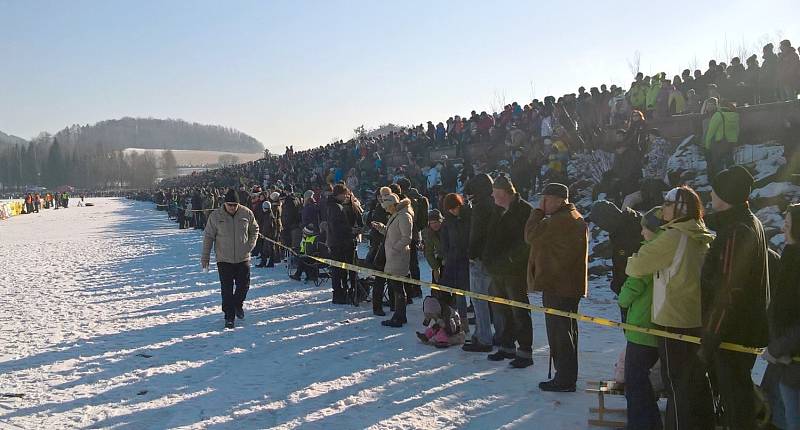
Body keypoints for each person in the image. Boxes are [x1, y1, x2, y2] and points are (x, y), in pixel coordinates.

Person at [625, 186, 715, 430]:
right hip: (696, 318)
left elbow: (636, 267)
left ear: (680, 208)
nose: (662, 207)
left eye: (667, 203)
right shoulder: (700, 233)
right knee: (694, 383)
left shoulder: (674, 236)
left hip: (672, 319)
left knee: (676, 386)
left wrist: (633, 257)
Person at [699, 166, 769, 429]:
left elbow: (727, 289)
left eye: (715, 191)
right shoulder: (749, 222)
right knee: (736, 398)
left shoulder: (737, 230)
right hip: (742, 329)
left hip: (732, 333)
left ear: (725, 196)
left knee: (736, 400)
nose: (710, 195)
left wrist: (711, 335)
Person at [526, 183, 588, 392]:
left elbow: (530, 235)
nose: (543, 203)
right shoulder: (574, 217)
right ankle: (567, 376)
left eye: (546, 199)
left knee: (559, 334)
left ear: (559, 200)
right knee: (568, 332)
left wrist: (537, 212)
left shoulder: (559, 221)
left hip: (557, 285)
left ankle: (564, 379)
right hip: (568, 285)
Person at [618, 207, 665, 430]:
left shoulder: (651, 252)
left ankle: (641, 424)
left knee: (635, 381)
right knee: (643, 379)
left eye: (644, 228)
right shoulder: (670, 248)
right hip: (658, 321)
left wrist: (622, 298)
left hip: (642, 323)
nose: (641, 233)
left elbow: (633, 285)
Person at [482, 175, 533, 368]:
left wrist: (510, 260)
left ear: (506, 193)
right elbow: (491, 237)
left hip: (514, 271)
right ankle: (506, 345)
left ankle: (525, 350)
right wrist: (487, 259)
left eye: (496, 194)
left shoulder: (524, 210)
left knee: (519, 310)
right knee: (500, 310)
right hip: (496, 270)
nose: (493, 197)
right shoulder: (496, 211)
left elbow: (526, 243)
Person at [201, 189, 259, 329]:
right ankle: (229, 316)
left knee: (243, 286)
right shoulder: (216, 216)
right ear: (225, 204)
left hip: (242, 257)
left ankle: (238, 305)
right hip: (224, 258)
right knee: (226, 289)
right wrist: (205, 256)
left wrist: (249, 246)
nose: (232, 207)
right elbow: (208, 236)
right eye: (229, 205)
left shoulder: (246, 213)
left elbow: (254, 230)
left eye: (235, 205)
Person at [766, 203, 800, 430]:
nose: (783, 230)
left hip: (792, 362)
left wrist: (779, 349)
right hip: (785, 361)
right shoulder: (789, 258)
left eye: (788, 225)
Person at [462, 173, 498, 353]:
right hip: (492, 259)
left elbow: (476, 235)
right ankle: (491, 334)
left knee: (479, 301)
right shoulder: (494, 204)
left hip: (480, 259)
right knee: (492, 301)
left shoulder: (480, 208)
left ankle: (484, 338)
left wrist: (471, 253)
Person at [590, 200, 643, 314]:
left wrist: (622, 289)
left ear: (607, 219)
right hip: (627, 292)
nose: (600, 227)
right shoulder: (621, 230)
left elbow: (631, 266)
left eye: (600, 223)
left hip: (635, 294)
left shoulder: (631, 231)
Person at [371, 192, 414, 327]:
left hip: (398, 257)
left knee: (398, 288)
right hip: (393, 257)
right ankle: (400, 315)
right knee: (396, 287)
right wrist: (381, 228)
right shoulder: (396, 215)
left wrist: (395, 249)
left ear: (393, 205)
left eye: (387, 207)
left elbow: (407, 238)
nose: (386, 209)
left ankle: (399, 316)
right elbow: (392, 233)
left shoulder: (404, 216)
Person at [325, 184, 361, 304]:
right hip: (339, 242)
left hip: (336, 241)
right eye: (344, 194)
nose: (346, 196)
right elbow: (338, 226)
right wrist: (350, 230)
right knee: (338, 270)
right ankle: (339, 294)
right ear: (339, 194)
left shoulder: (333, 205)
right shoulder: (336, 207)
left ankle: (340, 293)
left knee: (338, 269)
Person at [440, 193, 471, 334]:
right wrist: (447, 255)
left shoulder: (468, 217)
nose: (453, 211)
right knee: (459, 293)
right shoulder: (448, 221)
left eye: (454, 208)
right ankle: (462, 323)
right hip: (453, 260)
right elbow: (445, 240)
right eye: (450, 209)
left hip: (468, 259)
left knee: (473, 292)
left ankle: (476, 318)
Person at [704, 101, 740, 178]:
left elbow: (711, 131)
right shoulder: (735, 115)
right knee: (730, 162)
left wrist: (707, 144)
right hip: (731, 142)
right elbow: (737, 130)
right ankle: (733, 178)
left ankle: (721, 179)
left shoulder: (719, 115)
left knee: (718, 163)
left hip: (720, 142)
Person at [256, 200, 277, 268]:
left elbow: (267, 226)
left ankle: (270, 262)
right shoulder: (267, 214)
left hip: (269, 236)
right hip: (267, 235)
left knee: (270, 249)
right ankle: (264, 262)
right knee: (265, 250)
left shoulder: (269, 216)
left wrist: (264, 234)